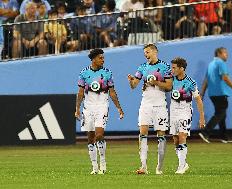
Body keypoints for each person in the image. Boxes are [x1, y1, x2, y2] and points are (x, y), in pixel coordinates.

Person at [75, 48, 124, 174]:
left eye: (103, 58)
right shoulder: (84, 73)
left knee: (99, 135)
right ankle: (94, 167)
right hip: (88, 107)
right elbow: (80, 93)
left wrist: (118, 107)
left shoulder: (107, 73)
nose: (103, 60)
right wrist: (77, 109)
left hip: (102, 105)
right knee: (90, 138)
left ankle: (103, 162)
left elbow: (112, 92)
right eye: (100, 58)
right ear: (93, 59)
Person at [127, 43, 172, 174]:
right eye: (144, 53)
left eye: (147, 52)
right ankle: (143, 166)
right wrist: (131, 80)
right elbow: (134, 85)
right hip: (146, 103)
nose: (145, 55)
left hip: (160, 105)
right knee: (142, 133)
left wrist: (156, 82)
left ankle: (159, 167)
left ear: (154, 52)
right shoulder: (142, 67)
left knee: (161, 135)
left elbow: (169, 86)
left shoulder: (164, 67)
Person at [170, 57, 205, 174]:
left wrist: (202, 117)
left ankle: (181, 167)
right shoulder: (171, 80)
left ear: (182, 68)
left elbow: (198, 99)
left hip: (185, 110)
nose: (172, 70)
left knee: (182, 136)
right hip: (173, 110)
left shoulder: (190, 82)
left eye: (174, 68)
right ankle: (184, 163)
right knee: (175, 139)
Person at [199, 47, 232, 143]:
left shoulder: (210, 64)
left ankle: (223, 136)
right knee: (220, 113)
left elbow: (206, 80)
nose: (227, 55)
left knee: (222, 114)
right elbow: (225, 77)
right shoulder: (221, 63)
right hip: (221, 93)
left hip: (212, 94)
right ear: (219, 53)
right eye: (225, 53)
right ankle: (205, 132)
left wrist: (202, 93)